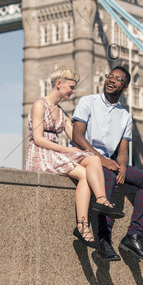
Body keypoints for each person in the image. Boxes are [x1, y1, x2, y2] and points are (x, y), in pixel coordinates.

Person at [26, 66, 124, 250]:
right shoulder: (39, 105)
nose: (73, 91)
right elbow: (38, 139)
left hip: (56, 153)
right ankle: (87, 220)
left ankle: (92, 213)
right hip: (41, 154)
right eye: (71, 87)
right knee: (84, 170)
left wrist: (98, 152)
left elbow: (77, 139)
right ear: (59, 84)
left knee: (91, 161)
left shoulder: (62, 113)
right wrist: (65, 150)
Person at [72, 66, 143, 262]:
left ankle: (133, 236)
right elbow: (77, 136)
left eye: (117, 79)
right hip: (85, 156)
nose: (111, 80)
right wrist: (101, 159)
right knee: (108, 176)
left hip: (108, 162)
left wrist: (123, 167)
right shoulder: (88, 102)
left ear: (125, 87)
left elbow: (123, 151)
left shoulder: (125, 116)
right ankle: (104, 242)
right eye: (109, 76)